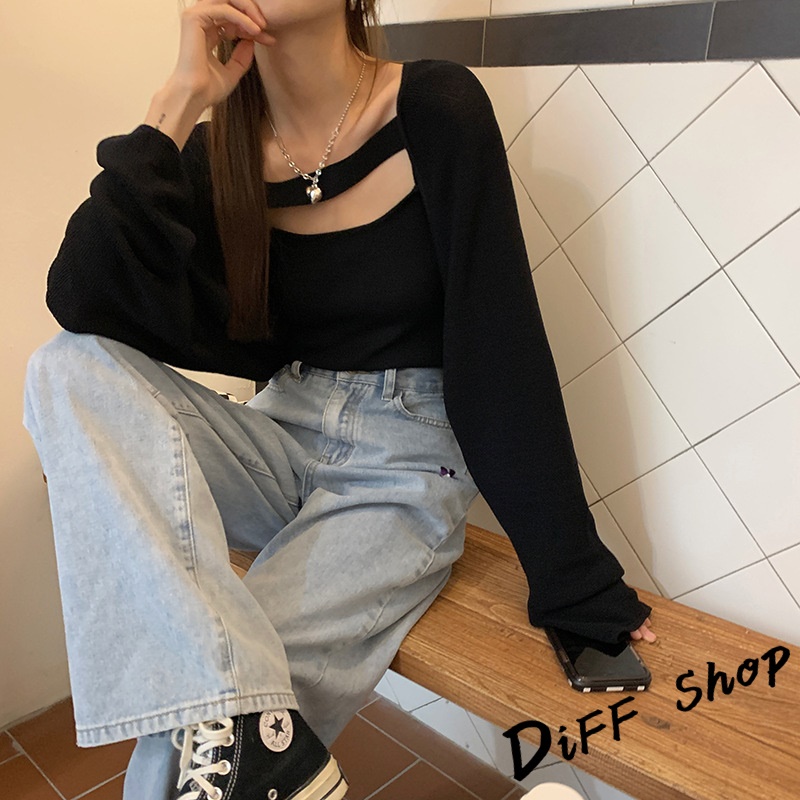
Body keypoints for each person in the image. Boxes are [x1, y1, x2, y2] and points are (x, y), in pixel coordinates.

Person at [22, 1, 656, 798]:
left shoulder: (435, 107)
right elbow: (81, 299)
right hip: (280, 435)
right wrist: (176, 102)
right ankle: (259, 749)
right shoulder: (218, 154)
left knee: (210, 728)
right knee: (65, 367)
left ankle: (256, 753)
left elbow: (501, 347)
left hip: (405, 457)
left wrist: (575, 586)